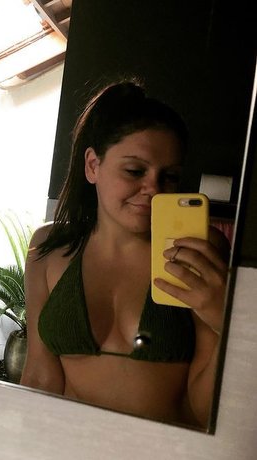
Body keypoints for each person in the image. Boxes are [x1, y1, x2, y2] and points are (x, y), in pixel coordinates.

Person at [20, 81, 230, 428]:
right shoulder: (48, 248)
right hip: (66, 445)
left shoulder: (197, 250)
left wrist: (225, 322)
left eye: (169, 177)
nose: (153, 188)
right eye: (135, 171)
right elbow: (40, 377)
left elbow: (203, 411)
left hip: (164, 449)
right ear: (93, 165)